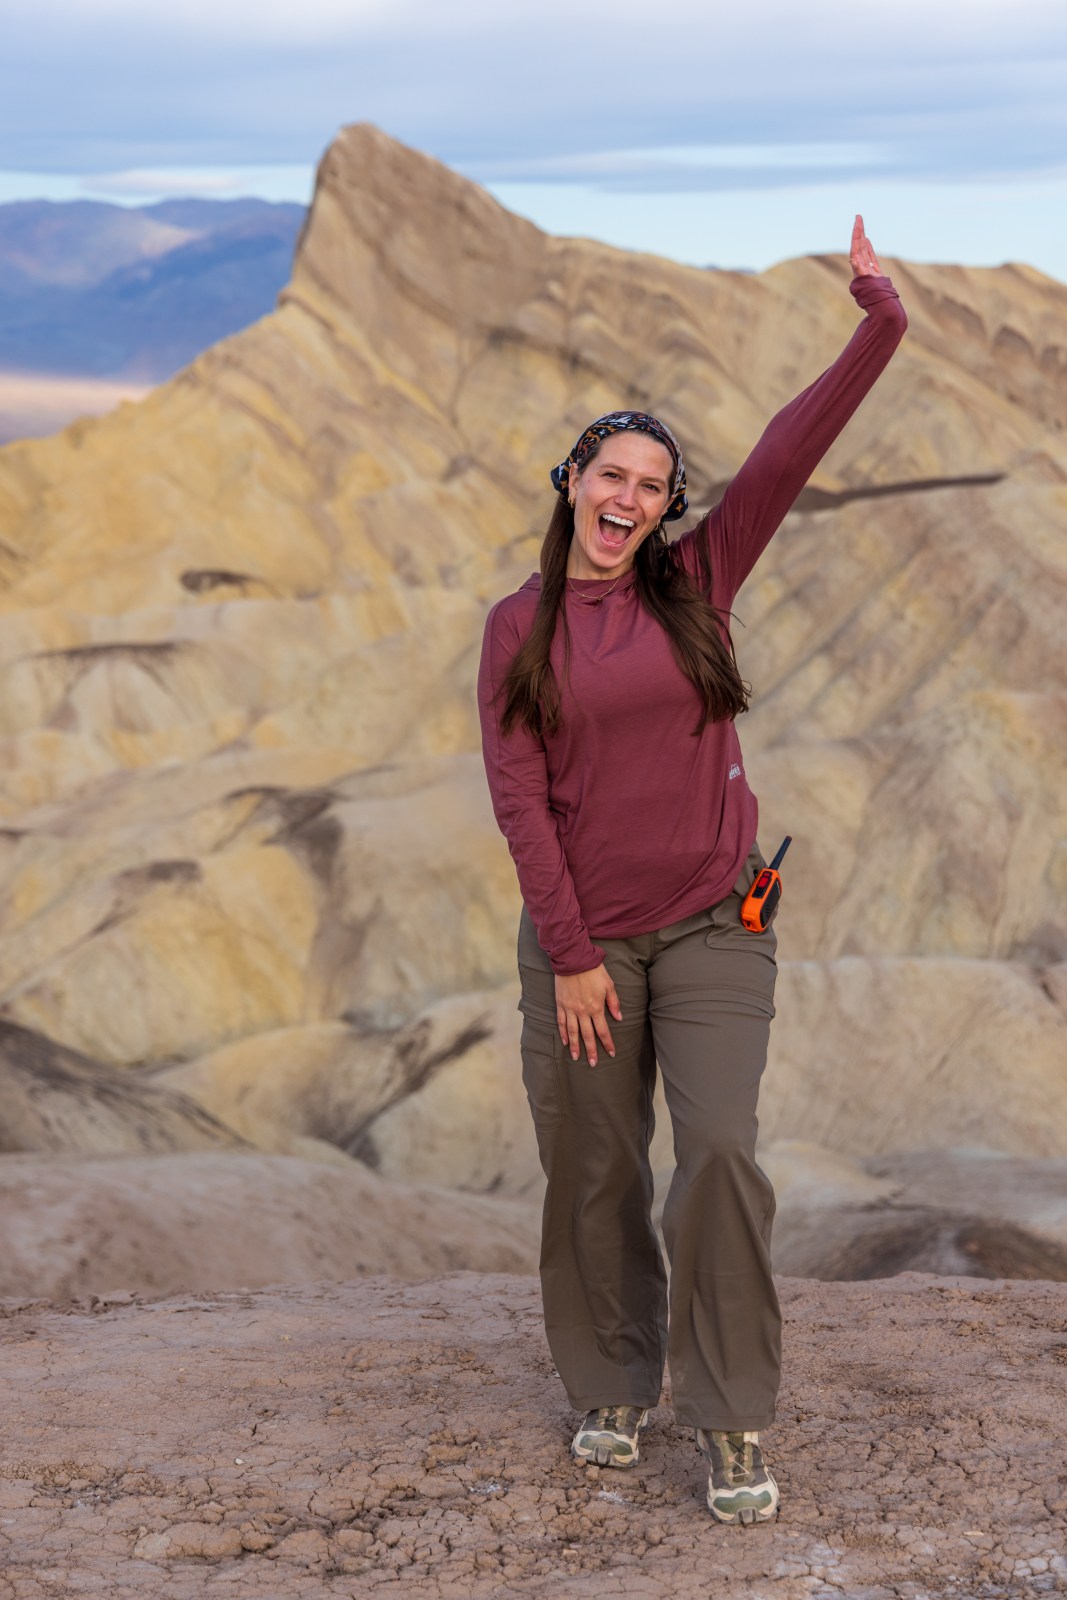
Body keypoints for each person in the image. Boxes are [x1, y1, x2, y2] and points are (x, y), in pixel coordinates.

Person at [477, 217, 906, 1523]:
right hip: (587, 944)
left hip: (720, 920)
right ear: (572, 482)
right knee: (595, 1165)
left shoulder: (698, 583)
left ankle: (730, 1414)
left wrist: (879, 317)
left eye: (652, 486)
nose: (627, 499)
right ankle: (612, 1380)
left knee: (718, 1150)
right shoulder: (518, 628)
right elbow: (519, 797)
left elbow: (787, 451)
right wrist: (568, 957)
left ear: (669, 508)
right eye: (610, 475)